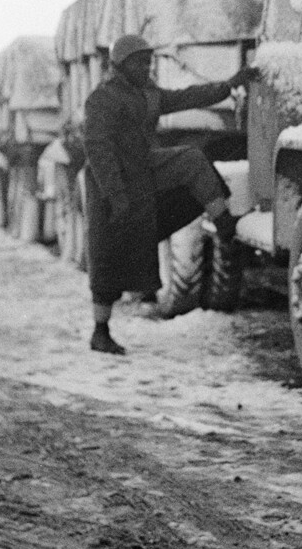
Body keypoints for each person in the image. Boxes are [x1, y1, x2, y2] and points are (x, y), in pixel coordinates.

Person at [81, 34, 258, 355]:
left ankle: (223, 221)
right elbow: (98, 150)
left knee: (191, 159)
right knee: (107, 254)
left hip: (143, 166)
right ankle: (100, 331)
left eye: (148, 61)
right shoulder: (101, 99)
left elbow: (187, 96)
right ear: (120, 65)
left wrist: (230, 84)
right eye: (138, 62)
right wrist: (117, 196)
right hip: (108, 182)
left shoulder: (148, 93)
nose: (145, 67)